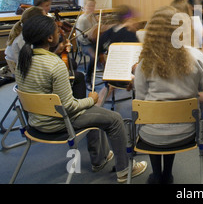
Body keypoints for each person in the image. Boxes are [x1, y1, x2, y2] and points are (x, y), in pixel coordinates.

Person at [15, 14, 147, 183]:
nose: (59, 34)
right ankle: (124, 170)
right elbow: (69, 107)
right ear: (49, 38)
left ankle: (100, 158)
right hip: (58, 124)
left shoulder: (23, 60)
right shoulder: (55, 65)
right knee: (114, 119)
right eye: (57, 32)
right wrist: (91, 99)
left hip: (35, 122)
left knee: (96, 113)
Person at [134, 6, 203, 184]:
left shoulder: (145, 63)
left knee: (154, 124)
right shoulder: (195, 57)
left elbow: (139, 101)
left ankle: (156, 175)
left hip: (151, 135)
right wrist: (200, 99)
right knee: (174, 122)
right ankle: (167, 174)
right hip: (185, 133)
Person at [76, 0, 98, 89]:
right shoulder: (82, 19)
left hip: (94, 42)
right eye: (89, 6)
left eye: (92, 6)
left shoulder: (92, 17)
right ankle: (87, 79)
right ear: (84, 6)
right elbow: (80, 37)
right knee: (93, 56)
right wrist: (90, 37)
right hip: (85, 44)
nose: (91, 8)